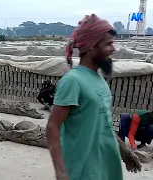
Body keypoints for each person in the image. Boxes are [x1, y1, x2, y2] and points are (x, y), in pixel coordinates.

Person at [46, 14, 141, 180]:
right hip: (82, 170)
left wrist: (123, 150)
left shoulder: (99, 80)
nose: (113, 49)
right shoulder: (73, 81)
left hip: (105, 167)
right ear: (91, 46)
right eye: (108, 44)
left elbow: (103, 124)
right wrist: (61, 172)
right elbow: (52, 126)